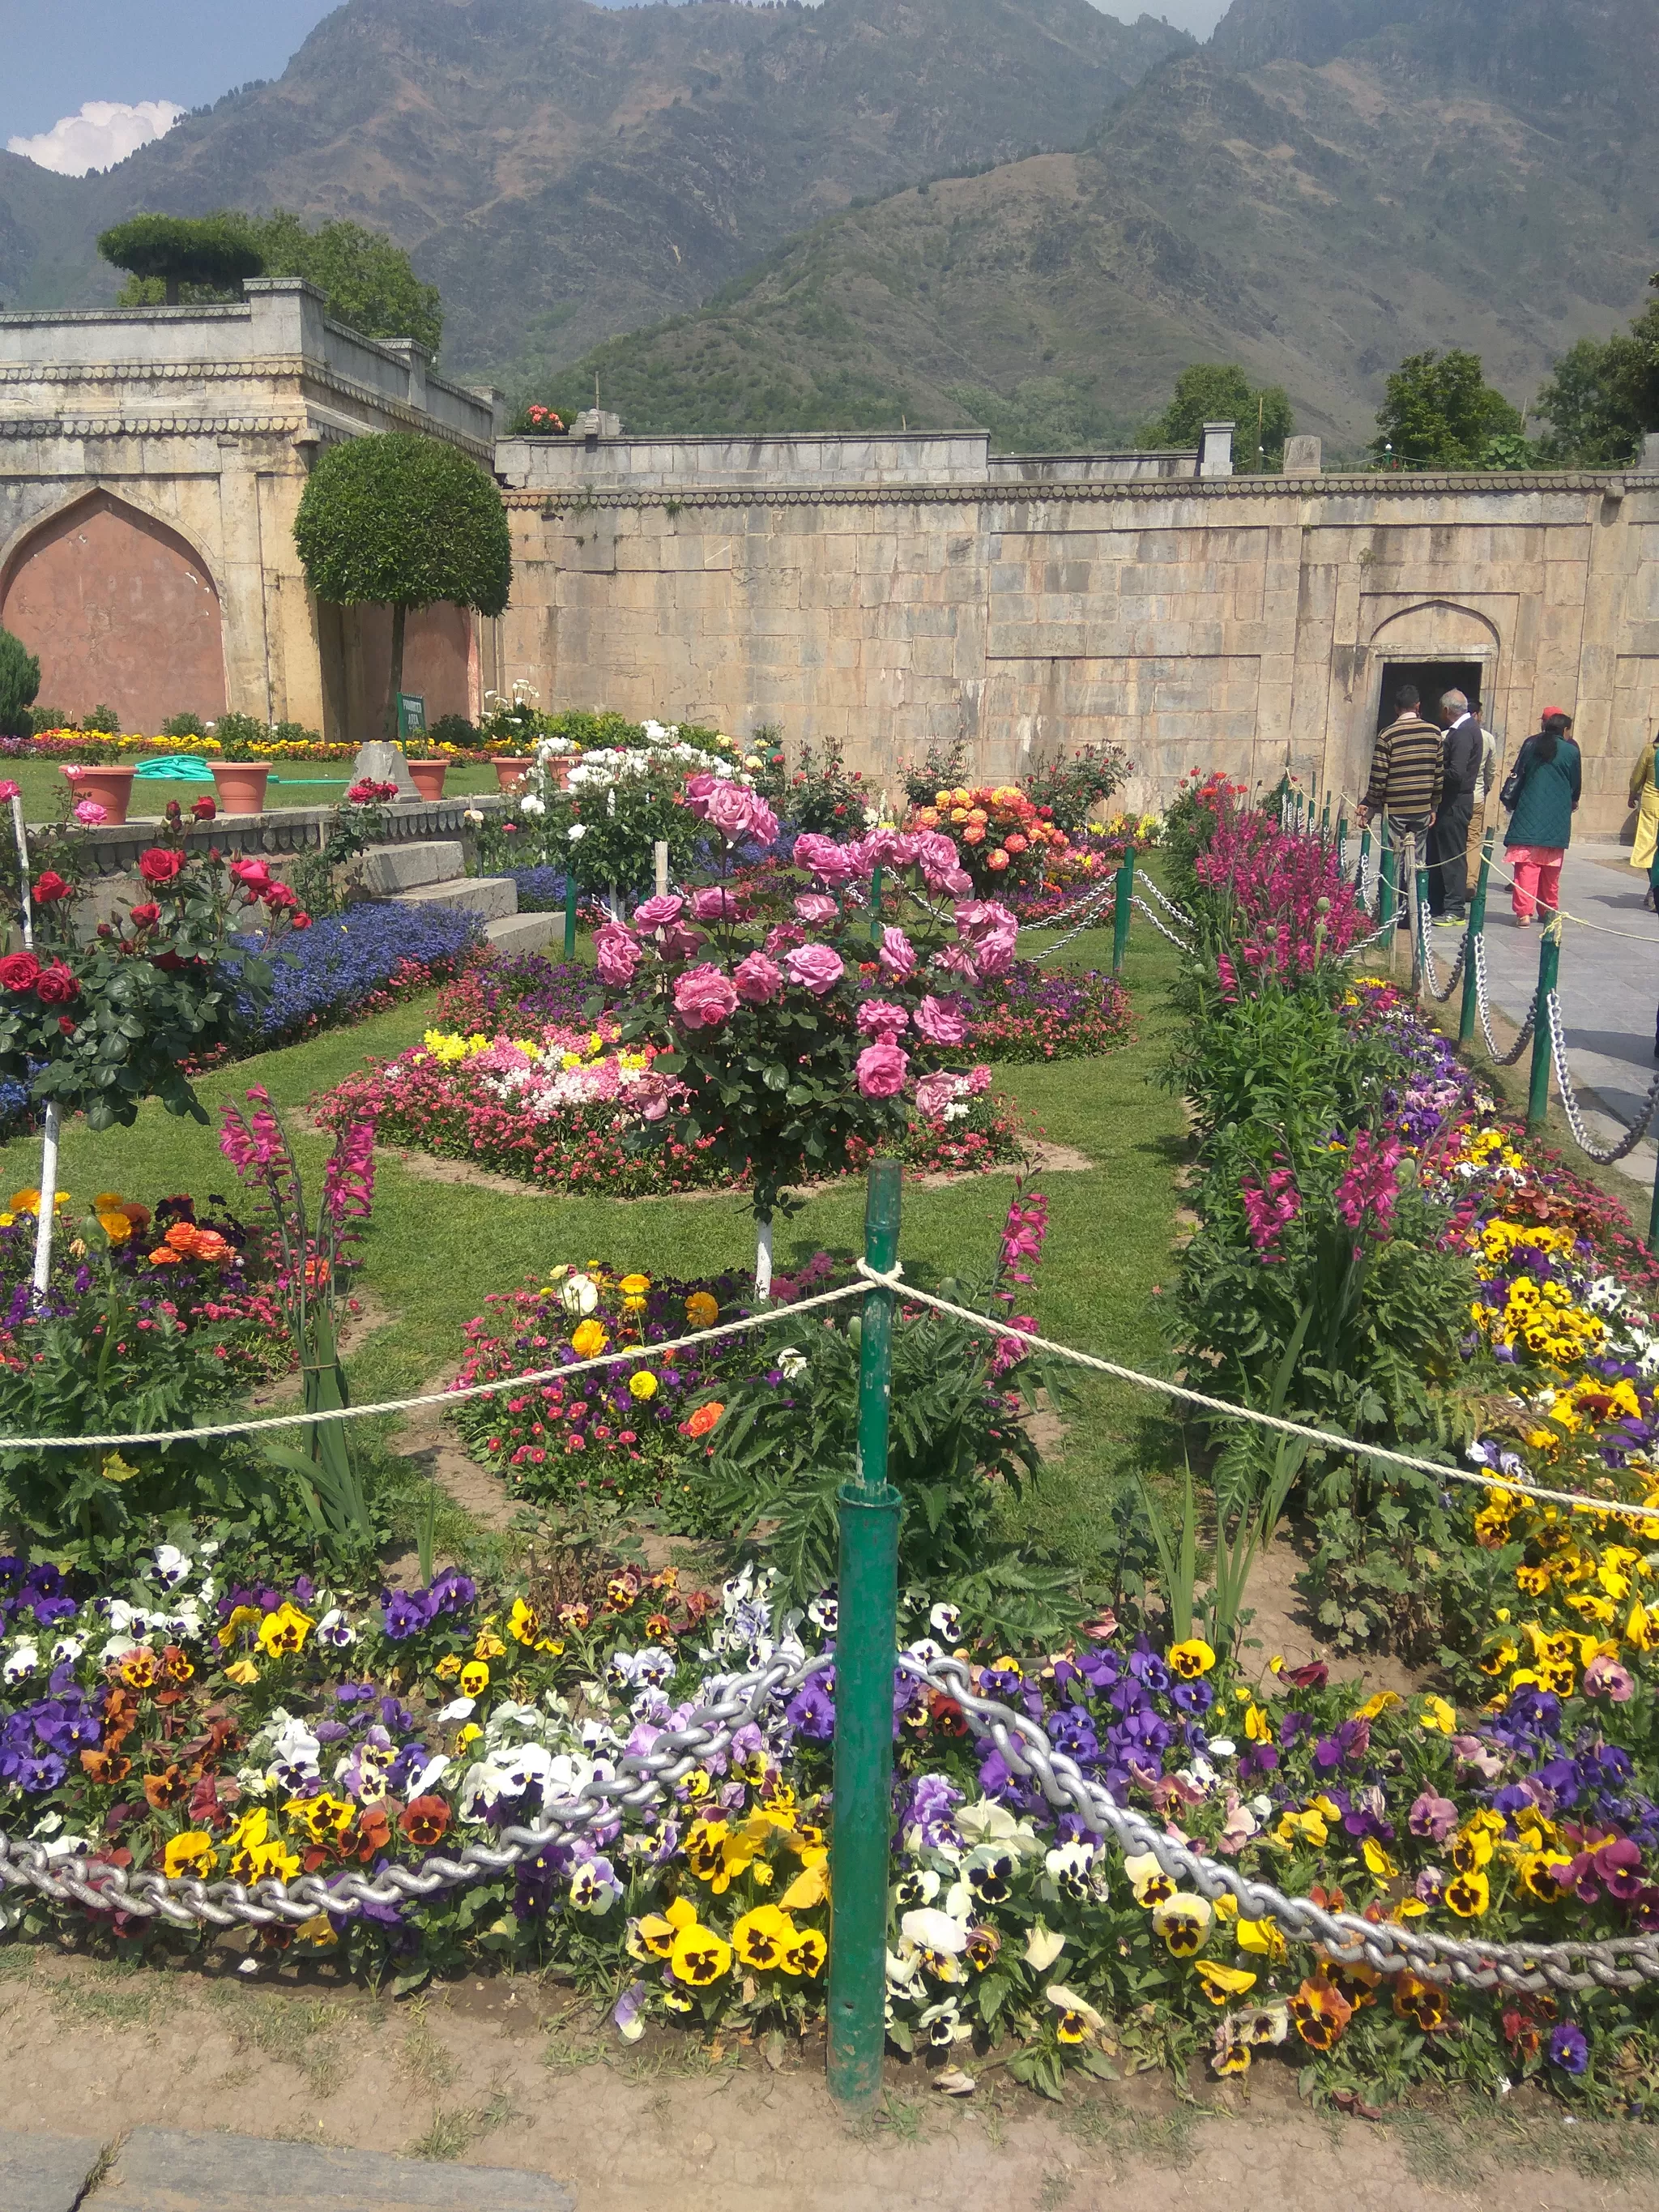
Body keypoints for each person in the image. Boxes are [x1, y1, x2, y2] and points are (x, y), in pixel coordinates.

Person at [1357, 682, 1444, 922]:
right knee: (1416, 861)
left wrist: (1370, 804)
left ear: (1397, 709)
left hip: (1395, 808)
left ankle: (1389, 912)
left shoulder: (1387, 735)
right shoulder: (1434, 733)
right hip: (1421, 807)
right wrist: (1434, 805)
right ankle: (1413, 913)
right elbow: (1439, 775)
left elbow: (1379, 777)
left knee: (1392, 860)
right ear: (1418, 706)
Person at [1503, 707, 1581, 925]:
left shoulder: (1531, 745)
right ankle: (1548, 909)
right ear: (1565, 730)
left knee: (1526, 867)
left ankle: (1524, 913)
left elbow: (1518, 773)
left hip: (1528, 811)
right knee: (1551, 868)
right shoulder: (1571, 751)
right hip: (1557, 815)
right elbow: (1575, 785)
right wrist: (1572, 800)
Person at [1427, 689, 1482, 925]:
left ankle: (1455, 908)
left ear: (1447, 711)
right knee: (1441, 854)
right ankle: (1439, 903)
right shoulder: (1465, 729)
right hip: (1451, 802)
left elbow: (1457, 773)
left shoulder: (1462, 733)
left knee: (1452, 856)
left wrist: (1431, 773)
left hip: (1455, 801)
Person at [1627, 726, 1659, 912]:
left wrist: (1632, 794)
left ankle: (1654, 890)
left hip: (1651, 804)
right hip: (1652, 804)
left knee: (1650, 848)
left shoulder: (1651, 749)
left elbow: (1638, 776)